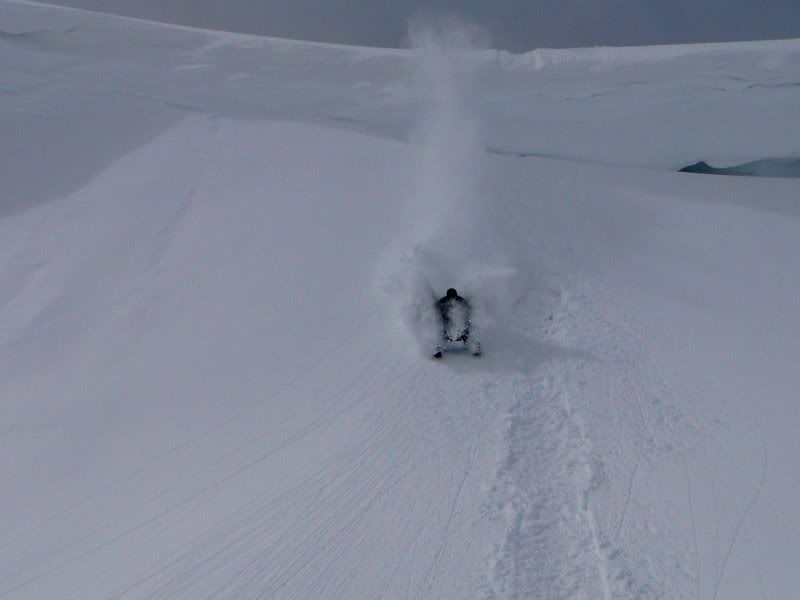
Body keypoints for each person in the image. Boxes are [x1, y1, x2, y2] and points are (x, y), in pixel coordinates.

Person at [433, 288, 481, 358]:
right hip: (446, 328)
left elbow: (467, 313)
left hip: (460, 328)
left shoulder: (461, 301)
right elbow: (437, 314)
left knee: (468, 334)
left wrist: (465, 321)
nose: (452, 299)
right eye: (450, 297)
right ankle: (437, 350)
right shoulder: (442, 302)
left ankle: (474, 348)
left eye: (453, 297)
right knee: (439, 334)